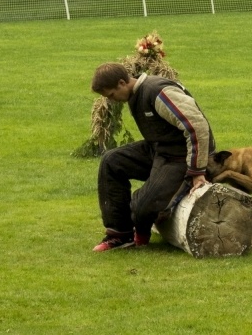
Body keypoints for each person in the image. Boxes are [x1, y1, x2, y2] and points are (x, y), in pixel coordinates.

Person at [89, 62, 215, 252]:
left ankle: (141, 230)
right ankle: (120, 235)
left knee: (142, 207)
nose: (112, 100)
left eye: (112, 95)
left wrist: (197, 171)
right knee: (111, 161)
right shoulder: (133, 94)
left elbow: (197, 126)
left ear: (122, 82)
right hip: (158, 149)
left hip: (180, 155)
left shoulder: (157, 92)